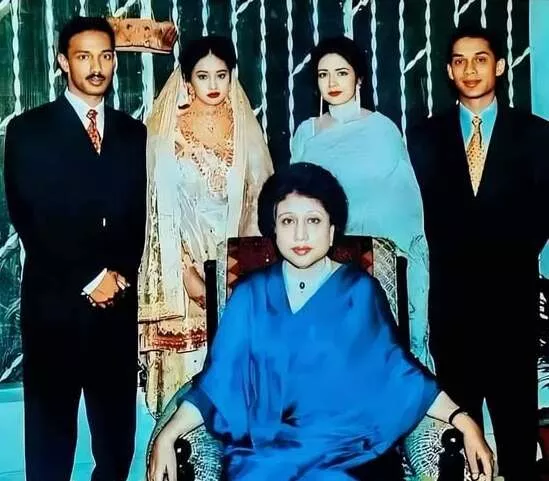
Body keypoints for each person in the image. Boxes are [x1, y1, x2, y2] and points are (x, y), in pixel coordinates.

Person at [147, 163, 493, 481]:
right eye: (288, 221)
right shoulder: (249, 296)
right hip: (265, 459)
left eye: (313, 221)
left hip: (349, 457)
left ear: (331, 230)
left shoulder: (360, 293)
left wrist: (463, 420)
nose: (300, 235)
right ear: (273, 230)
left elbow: (397, 374)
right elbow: (219, 383)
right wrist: (167, 435)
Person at [3, 16, 147, 481]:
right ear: (64, 62)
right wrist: (91, 278)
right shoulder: (28, 130)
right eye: (84, 56)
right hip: (54, 310)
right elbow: (30, 216)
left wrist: (117, 277)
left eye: (105, 56)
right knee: (50, 446)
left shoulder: (133, 133)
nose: (96, 67)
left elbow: (136, 219)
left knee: (117, 444)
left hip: (116, 310)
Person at [407, 25, 549, 481]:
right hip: (452, 309)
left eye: (480, 59)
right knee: (458, 438)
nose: (470, 70)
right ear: (449, 71)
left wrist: (505, 258)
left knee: (516, 430)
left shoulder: (535, 134)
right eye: (460, 61)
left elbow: (543, 214)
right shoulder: (423, 138)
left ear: (500, 66)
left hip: (512, 305)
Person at [138, 35, 273, 417]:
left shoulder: (245, 132)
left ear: (232, 77)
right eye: (203, 76)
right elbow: (154, 209)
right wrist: (186, 274)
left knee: (240, 393)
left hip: (237, 273)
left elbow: (261, 200)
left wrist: (237, 271)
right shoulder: (166, 134)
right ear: (187, 80)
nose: (213, 85)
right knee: (185, 395)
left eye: (221, 75)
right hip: (181, 276)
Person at [290, 36, 431, 370]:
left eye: (341, 72)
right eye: (323, 74)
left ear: (359, 78)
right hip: (319, 266)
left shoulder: (382, 130)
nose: (332, 82)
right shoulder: (306, 134)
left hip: (376, 267)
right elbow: (293, 202)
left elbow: (404, 209)